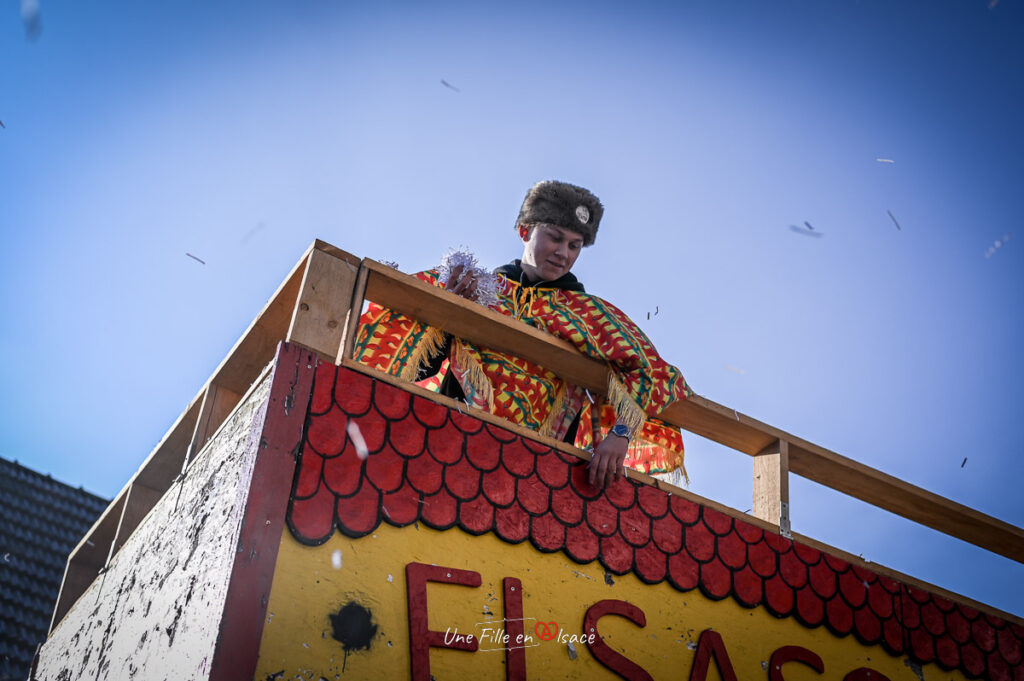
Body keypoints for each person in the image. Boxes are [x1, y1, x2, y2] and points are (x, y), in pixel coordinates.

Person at [353, 180, 692, 489]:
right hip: (447, 450)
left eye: (575, 245)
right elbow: (414, 357)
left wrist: (620, 434)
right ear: (524, 231)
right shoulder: (477, 287)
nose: (563, 253)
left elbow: (660, 376)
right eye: (555, 237)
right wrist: (447, 308)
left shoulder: (593, 316)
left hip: (538, 475)